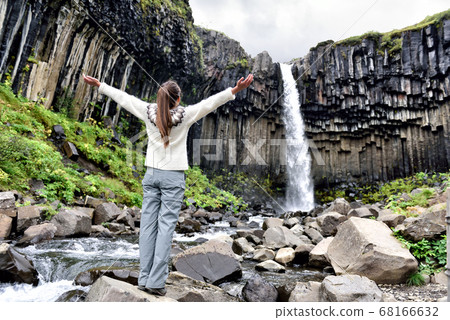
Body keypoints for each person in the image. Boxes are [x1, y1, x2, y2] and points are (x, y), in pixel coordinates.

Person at [83, 73, 253, 296]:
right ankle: (155, 282)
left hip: (152, 175)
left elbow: (124, 98)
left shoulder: (147, 111)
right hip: (173, 177)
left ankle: (144, 278)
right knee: (165, 229)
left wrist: (101, 85)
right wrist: (234, 90)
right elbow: (210, 103)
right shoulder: (187, 115)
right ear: (178, 100)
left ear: (159, 98)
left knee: (147, 227)